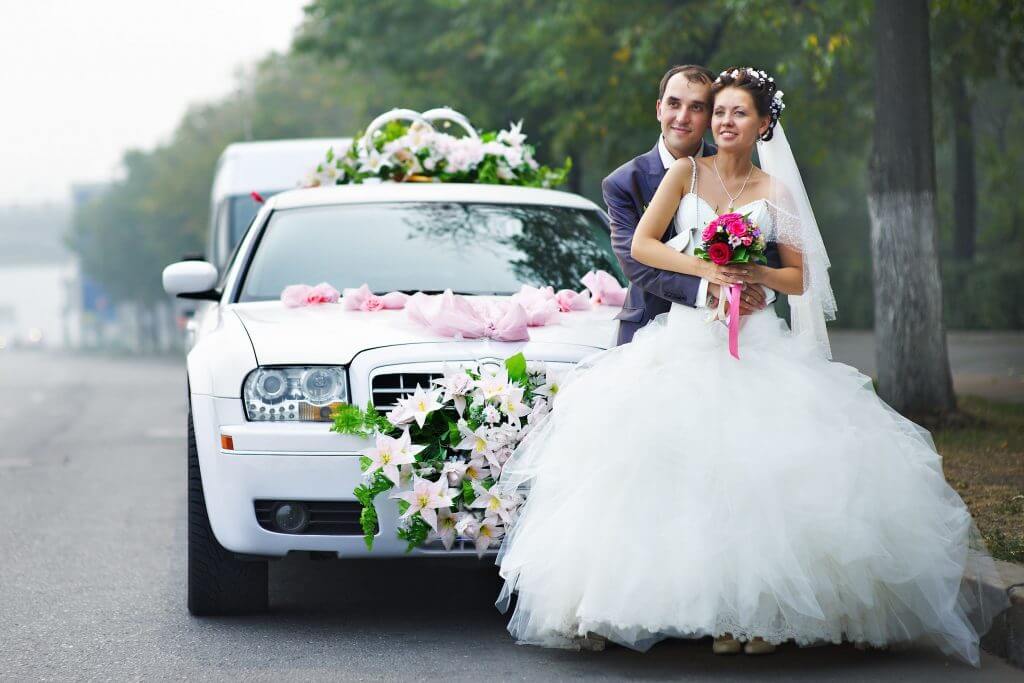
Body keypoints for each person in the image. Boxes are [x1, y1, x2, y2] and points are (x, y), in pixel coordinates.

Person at [493, 67, 1006, 666]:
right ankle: (677, 606)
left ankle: (762, 612)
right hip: (684, 339)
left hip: (756, 340)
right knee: (673, 467)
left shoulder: (775, 192)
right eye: (720, 113)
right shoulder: (686, 173)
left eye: (737, 113)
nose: (723, 122)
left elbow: (799, 275)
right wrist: (708, 269)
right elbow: (643, 247)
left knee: (760, 470)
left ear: (764, 124)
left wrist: (754, 272)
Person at [602, 64, 779, 347]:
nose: (682, 117)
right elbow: (636, 263)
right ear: (659, 109)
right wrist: (707, 287)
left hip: (732, 329)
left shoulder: (736, 168)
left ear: (710, 115)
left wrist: (755, 291)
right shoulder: (623, 183)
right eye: (674, 104)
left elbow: (769, 246)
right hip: (649, 330)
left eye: (697, 107)